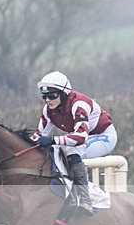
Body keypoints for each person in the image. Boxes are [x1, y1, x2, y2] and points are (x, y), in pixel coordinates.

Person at [33, 71, 117, 215]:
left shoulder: (78, 105)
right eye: (45, 97)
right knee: (56, 150)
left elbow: (81, 137)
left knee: (71, 150)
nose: (48, 100)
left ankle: (85, 199)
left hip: (103, 136)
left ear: (64, 94)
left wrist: (53, 139)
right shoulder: (48, 110)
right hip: (83, 137)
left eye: (52, 95)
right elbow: (38, 136)